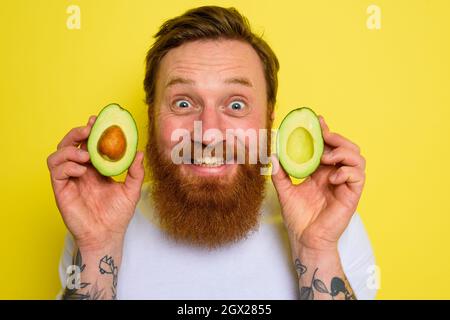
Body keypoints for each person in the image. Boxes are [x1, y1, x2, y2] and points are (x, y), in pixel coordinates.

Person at [47, 5, 376, 300]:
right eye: (183, 103)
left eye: (235, 104)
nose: (209, 133)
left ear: (269, 117)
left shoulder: (328, 227)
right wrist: (96, 246)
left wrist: (314, 248)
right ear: (151, 116)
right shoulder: (102, 223)